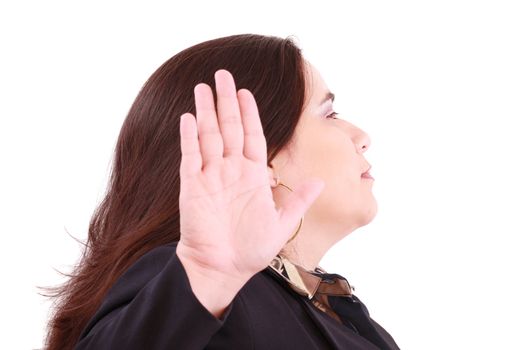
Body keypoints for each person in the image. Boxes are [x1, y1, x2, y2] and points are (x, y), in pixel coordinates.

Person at [43, 33, 400, 349]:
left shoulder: (340, 313)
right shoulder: (210, 290)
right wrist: (205, 277)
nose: (362, 137)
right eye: (329, 114)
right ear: (261, 154)